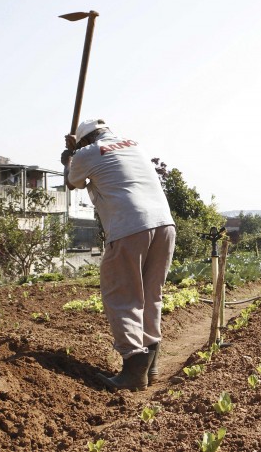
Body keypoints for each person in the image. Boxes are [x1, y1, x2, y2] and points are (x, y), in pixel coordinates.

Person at [61, 119, 176, 391]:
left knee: (122, 295)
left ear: (84, 141)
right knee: (151, 295)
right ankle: (152, 364)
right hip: (165, 226)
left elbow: (71, 182)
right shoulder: (134, 146)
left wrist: (68, 158)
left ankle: (134, 368)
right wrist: (74, 154)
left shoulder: (87, 153)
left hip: (129, 227)